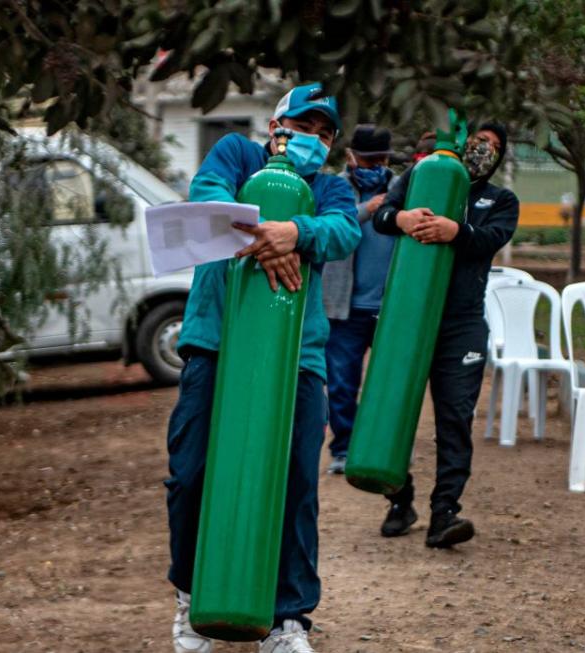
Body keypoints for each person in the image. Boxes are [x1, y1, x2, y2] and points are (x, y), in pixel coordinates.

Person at [165, 83, 360, 653]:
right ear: (277, 125)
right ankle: (190, 598)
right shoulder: (235, 153)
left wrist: (295, 231)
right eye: (305, 128)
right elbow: (208, 203)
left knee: (297, 481)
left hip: (297, 355)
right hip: (216, 340)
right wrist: (269, 233)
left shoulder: (330, 187)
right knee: (191, 474)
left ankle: (288, 620)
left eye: (324, 134)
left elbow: (343, 231)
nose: (314, 142)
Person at [371, 121, 519, 548]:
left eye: (494, 146)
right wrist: (400, 217)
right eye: (479, 141)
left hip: (462, 323)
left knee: (455, 418)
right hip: (410, 317)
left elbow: (493, 238)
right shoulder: (422, 175)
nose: (483, 150)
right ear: (462, 141)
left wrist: (456, 231)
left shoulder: (501, 199)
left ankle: (444, 513)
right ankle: (400, 499)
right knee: (392, 407)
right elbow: (382, 216)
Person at [321, 124, 399, 475]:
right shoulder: (334, 187)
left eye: (380, 160)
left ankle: (387, 447)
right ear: (350, 156)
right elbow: (328, 227)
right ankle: (343, 449)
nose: (373, 166)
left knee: (389, 384)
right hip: (344, 306)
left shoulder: (403, 189)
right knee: (340, 383)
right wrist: (367, 208)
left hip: (391, 307)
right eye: (367, 159)